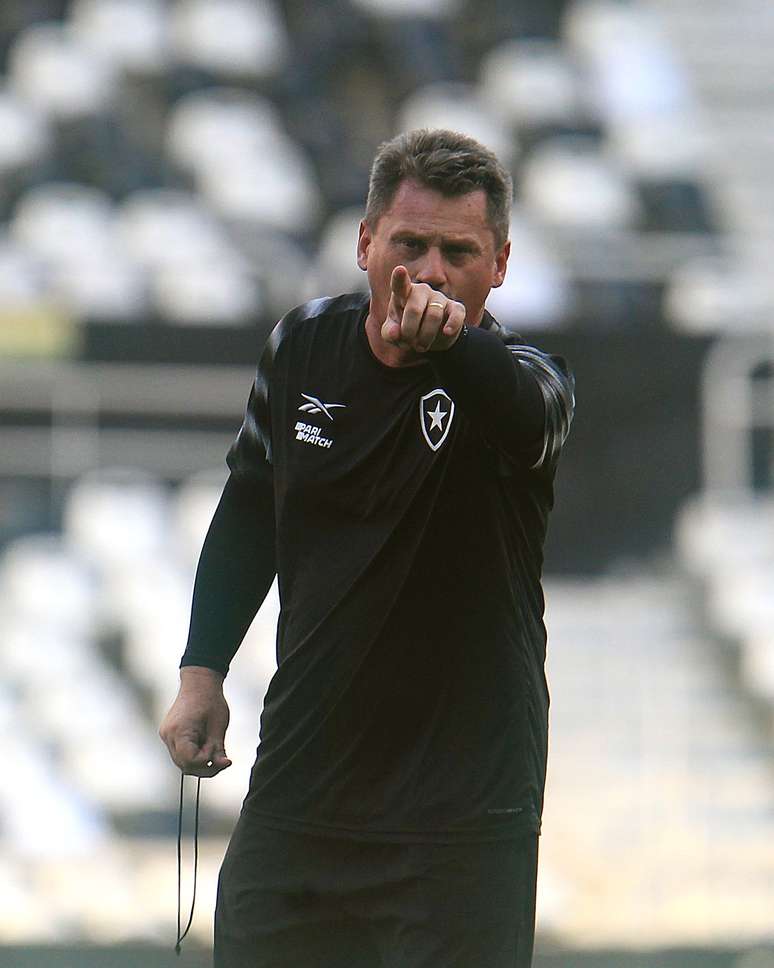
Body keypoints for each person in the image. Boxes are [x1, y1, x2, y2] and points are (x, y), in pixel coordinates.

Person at [159, 127, 575, 968]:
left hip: (463, 813)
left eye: (458, 251)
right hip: (305, 784)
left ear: (499, 264)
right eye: (409, 243)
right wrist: (201, 669)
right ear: (363, 243)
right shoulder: (302, 346)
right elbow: (248, 505)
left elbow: (527, 423)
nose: (428, 270)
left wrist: (455, 350)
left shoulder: (531, 376)